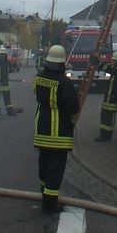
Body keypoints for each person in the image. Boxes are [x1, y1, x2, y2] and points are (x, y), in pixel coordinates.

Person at [33, 45, 79, 214]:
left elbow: (36, 93)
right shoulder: (65, 82)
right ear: (62, 62)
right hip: (59, 132)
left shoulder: (38, 78)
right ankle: (50, 203)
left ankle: (44, 194)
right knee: (56, 167)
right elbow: (73, 107)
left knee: (43, 163)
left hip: (41, 129)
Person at [93, 50, 117, 142]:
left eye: (113, 60)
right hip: (109, 96)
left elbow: (112, 70)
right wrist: (99, 63)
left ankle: (106, 136)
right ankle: (102, 134)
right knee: (104, 115)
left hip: (114, 98)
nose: (112, 61)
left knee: (108, 117)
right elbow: (108, 66)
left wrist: (99, 63)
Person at [0, 44, 20, 116]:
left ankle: (9, 111)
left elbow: (10, 70)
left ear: (5, 54)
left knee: (7, 98)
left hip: (5, 84)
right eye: (0, 54)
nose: (2, 56)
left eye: (3, 54)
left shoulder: (8, 62)